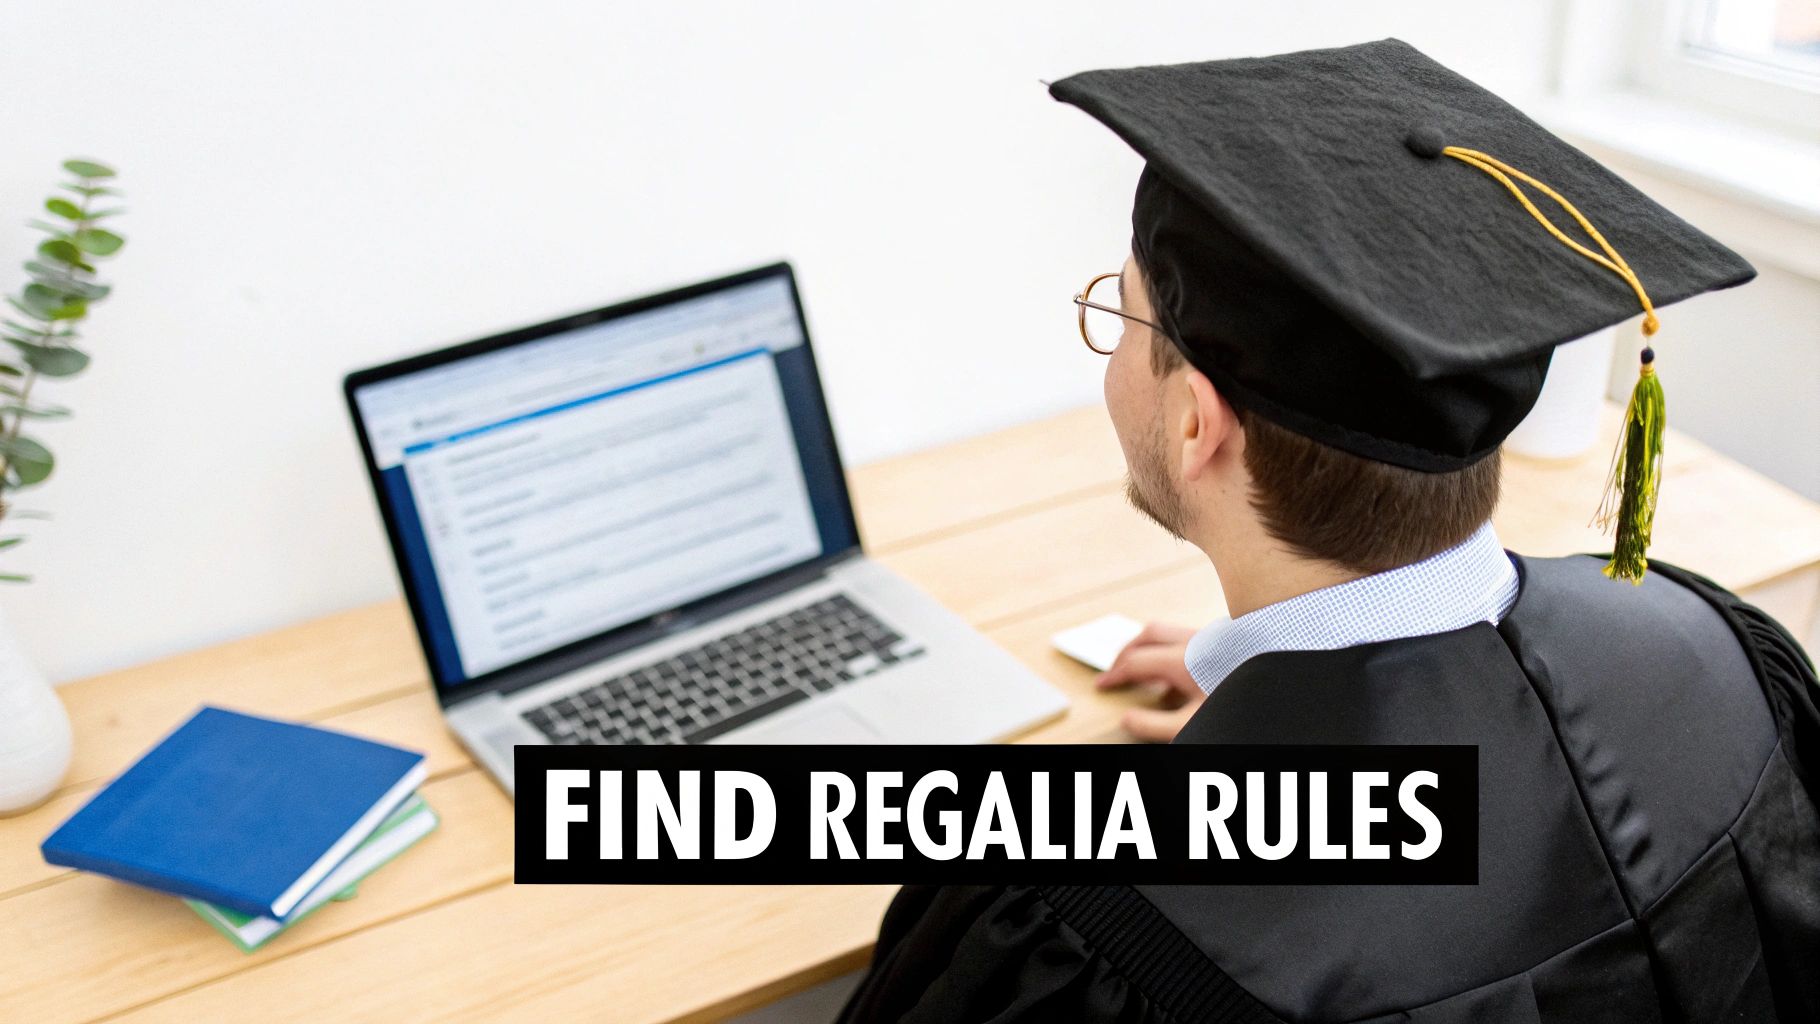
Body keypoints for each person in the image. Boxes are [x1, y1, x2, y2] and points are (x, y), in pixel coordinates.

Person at [836, 39, 1820, 1023]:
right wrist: (1276, 707)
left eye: (1121, 317)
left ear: (1194, 424)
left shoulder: (1092, 927)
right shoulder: (1713, 648)